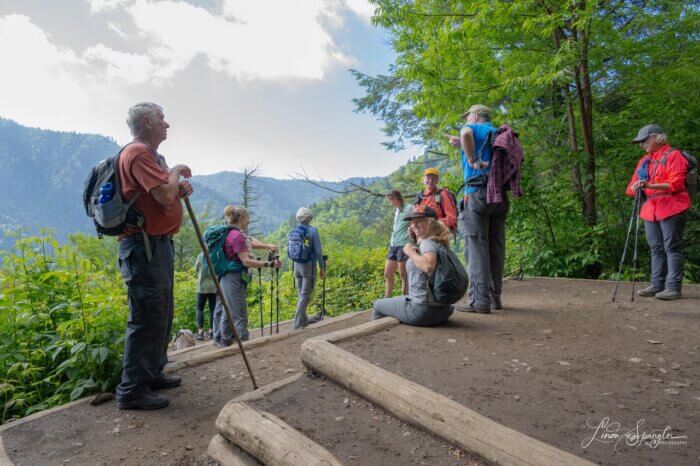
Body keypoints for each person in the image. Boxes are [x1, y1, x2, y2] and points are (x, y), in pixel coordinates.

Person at [115, 102, 193, 410]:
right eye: (162, 119)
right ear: (147, 122)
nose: (167, 124)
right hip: (143, 249)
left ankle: (152, 373)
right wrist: (174, 174)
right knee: (146, 315)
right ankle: (132, 390)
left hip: (157, 246)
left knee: (161, 311)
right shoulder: (137, 153)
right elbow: (162, 193)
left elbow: (164, 194)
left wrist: (177, 189)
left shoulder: (149, 156)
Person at [446, 104, 506, 313]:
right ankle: (494, 298)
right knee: (495, 245)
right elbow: (469, 140)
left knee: (476, 247)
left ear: (475, 116)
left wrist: (471, 159)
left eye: (469, 116)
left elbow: (466, 133)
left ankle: (479, 302)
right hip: (499, 197)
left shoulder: (473, 128)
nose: (467, 119)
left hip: (478, 193)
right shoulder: (496, 132)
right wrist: (461, 146)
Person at [626, 124, 691, 300]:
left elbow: (676, 184)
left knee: (672, 247)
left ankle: (673, 288)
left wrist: (649, 185)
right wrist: (636, 186)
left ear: (655, 137)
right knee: (655, 247)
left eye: (644, 140)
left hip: (672, 207)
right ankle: (656, 285)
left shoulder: (674, 155)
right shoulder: (645, 161)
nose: (641, 145)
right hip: (650, 210)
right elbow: (630, 189)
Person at [372, 206, 454, 326]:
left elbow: (428, 266)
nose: (413, 225)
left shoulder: (427, 244)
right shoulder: (439, 243)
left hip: (423, 311)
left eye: (419, 221)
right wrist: (414, 239)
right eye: (412, 222)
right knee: (393, 301)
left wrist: (409, 251)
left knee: (378, 305)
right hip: (443, 310)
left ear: (431, 223)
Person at [212, 205, 280, 347]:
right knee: (240, 315)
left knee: (228, 311)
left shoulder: (231, 233)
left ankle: (225, 342)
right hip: (234, 278)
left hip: (226, 277)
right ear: (242, 218)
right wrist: (270, 264)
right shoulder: (236, 235)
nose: (248, 221)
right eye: (247, 218)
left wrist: (266, 246)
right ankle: (244, 345)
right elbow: (246, 260)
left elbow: (246, 244)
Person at [289, 207, 325, 329]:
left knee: (301, 294)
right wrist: (322, 267)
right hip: (308, 266)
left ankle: (303, 321)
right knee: (305, 294)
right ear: (310, 218)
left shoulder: (294, 230)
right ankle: (297, 324)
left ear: (298, 218)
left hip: (296, 265)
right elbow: (318, 251)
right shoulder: (313, 231)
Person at [384, 189, 412, 297]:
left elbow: (416, 220)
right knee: (387, 274)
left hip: (403, 245)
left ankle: (405, 298)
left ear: (396, 198)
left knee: (403, 274)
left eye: (391, 200)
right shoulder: (396, 210)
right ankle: (387, 298)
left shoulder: (409, 208)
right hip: (393, 245)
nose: (390, 203)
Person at [194, 253, 216, 340]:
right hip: (214, 287)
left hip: (202, 287)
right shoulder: (215, 255)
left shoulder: (200, 256)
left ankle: (200, 333)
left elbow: (196, 269)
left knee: (199, 309)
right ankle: (211, 332)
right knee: (213, 309)